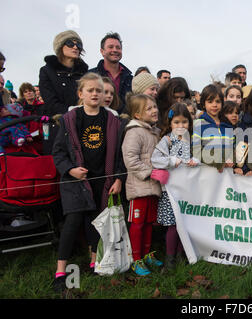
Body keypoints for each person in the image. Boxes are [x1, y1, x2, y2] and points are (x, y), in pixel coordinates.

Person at [51, 72, 124, 292]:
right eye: (90, 90)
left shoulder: (113, 121)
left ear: (104, 95)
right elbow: (58, 153)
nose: (95, 93)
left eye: (99, 90)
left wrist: (118, 178)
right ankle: (61, 271)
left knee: (96, 222)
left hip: (102, 180)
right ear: (80, 93)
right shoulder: (69, 120)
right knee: (72, 223)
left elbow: (120, 155)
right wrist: (70, 170)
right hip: (74, 182)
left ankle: (94, 262)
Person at [151, 102, 199, 270]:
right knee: (173, 225)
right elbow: (155, 159)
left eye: (184, 122)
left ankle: (181, 256)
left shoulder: (191, 139)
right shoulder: (167, 140)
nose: (180, 126)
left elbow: (199, 156)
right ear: (170, 123)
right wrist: (171, 161)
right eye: (176, 122)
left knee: (184, 224)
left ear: (189, 123)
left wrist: (195, 161)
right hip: (170, 192)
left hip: (188, 190)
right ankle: (170, 259)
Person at [121, 93, 164, 276]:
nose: (154, 110)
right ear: (137, 115)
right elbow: (130, 159)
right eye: (149, 108)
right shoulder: (134, 132)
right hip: (138, 188)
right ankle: (135, 259)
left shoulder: (154, 132)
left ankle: (147, 254)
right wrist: (150, 172)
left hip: (153, 187)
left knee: (148, 222)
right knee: (138, 224)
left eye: (154, 106)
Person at [39, 30, 88, 118]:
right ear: (60, 46)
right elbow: (51, 102)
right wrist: (74, 113)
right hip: (58, 123)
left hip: (83, 123)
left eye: (79, 45)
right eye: (70, 43)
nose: (75, 47)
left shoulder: (85, 73)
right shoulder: (46, 71)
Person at [192, 84, 234, 172]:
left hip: (226, 174)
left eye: (218, 101)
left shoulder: (227, 126)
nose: (214, 105)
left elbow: (232, 148)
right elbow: (196, 150)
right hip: (206, 172)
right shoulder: (198, 124)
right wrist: (218, 163)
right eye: (210, 102)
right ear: (203, 104)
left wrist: (231, 159)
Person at [89, 32, 132, 114]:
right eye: (110, 47)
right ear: (102, 51)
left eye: (118, 47)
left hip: (124, 123)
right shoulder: (90, 76)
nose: (115, 50)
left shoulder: (130, 79)